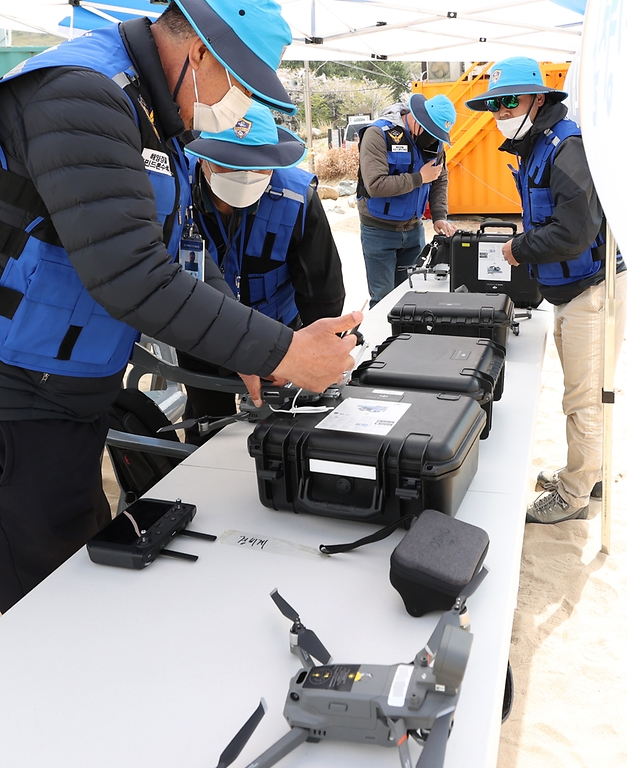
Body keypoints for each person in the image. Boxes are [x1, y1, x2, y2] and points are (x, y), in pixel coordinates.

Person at [0, 0, 361, 613]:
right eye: (241, 89)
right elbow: (131, 276)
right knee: (38, 589)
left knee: (80, 553)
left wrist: (256, 358)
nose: (238, 110)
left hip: (67, 387)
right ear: (200, 52)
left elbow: (186, 256)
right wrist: (285, 351)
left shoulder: (154, 114)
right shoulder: (81, 97)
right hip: (19, 396)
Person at [465, 57, 627, 524]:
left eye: (508, 102)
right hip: (569, 291)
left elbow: (575, 232)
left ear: (538, 99)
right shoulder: (533, 145)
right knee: (585, 392)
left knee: (584, 398)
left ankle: (575, 496)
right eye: (493, 106)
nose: (499, 112)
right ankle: (588, 472)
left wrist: (519, 249)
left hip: (594, 290)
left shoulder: (566, 146)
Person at [179, 102, 346, 443]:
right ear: (205, 159)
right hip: (201, 336)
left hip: (280, 335)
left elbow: (323, 292)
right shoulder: (177, 195)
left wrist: (311, 351)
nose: (245, 175)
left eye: (259, 168)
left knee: (281, 431)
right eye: (230, 165)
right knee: (209, 428)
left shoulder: (298, 198)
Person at [356, 93, 458, 307]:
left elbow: (439, 179)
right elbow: (375, 185)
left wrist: (439, 216)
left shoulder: (434, 142)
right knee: (382, 300)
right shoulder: (378, 134)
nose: (434, 138)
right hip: (378, 232)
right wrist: (419, 178)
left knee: (412, 297)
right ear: (419, 119)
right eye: (431, 132)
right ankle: (381, 341)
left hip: (413, 231)